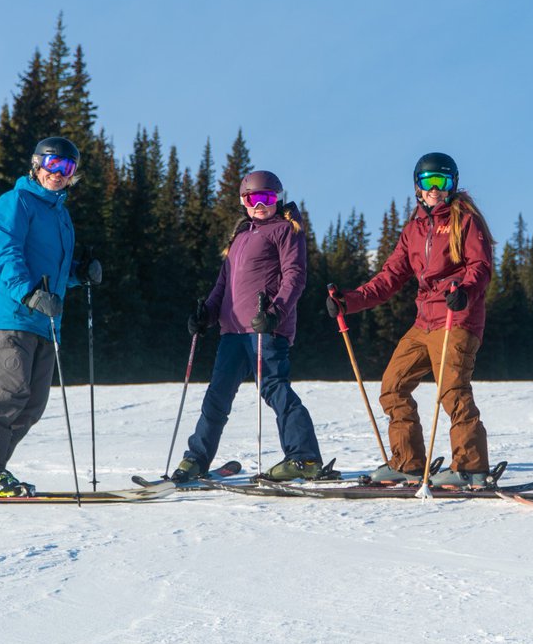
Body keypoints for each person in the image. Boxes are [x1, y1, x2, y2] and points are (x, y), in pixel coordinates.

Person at [327, 152, 494, 489]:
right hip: (424, 322)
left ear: (453, 185)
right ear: (418, 187)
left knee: (452, 391)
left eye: (443, 182)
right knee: (393, 386)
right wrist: (349, 301)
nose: (436, 189)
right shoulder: (413, 230)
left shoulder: (466, 221)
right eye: (429, 182)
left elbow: (481, 266)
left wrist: (463, 289)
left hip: (456, 317)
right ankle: (408, 464)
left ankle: (471, 468)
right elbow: (389, 277)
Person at [0, 137, 101, 497]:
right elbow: (8, 255)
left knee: (33, 404)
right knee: (12, 391)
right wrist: (30, 293)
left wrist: (79, 274)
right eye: (53, 164)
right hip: (12, 316)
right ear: (36, 165)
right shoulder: (14, 202)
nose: (59, 173)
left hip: (46, 322)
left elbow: (54, 270)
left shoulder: (61, 215)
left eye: (67, 168)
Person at [175, 170, 326, 482]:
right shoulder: (240, 236)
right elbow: (223, 285)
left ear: (278, 199)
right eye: (252, 198)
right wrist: (207, 314)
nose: (260, 205)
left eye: (267, 198)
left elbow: (295, 276)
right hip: (233, 332)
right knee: (216, 397)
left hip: (265, 328)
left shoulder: (285, 230)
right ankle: (196, 460)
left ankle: (305, 457)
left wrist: (275, 313)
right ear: (243, 201)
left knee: (274, 388)